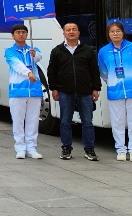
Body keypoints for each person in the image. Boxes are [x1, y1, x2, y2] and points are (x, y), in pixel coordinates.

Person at [46, 22, 101, 161]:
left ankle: (89, 149)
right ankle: (66, 148)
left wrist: (96, 88)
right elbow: (51, 71)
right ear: (64, 33)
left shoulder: (87, 50)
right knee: (65, 122)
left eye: (74, 29)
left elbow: (94, 70)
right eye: (68, 30)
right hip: (65, 92)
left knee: (87, 122)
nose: (71, 32)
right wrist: (54, 88)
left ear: (78, 33)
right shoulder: (57, 51)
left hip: (85, 92)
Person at [98, 20, 132, 162]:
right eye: (112, 31)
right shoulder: (103, 52)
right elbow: (103, 72)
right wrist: (113, 81)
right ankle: (120, 149)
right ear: (108, 34)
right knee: (117, 121)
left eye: (118, 31)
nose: (115, 34)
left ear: (123, 32)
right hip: (115, 90)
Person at [5, 24, 43, 159]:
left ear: (27, 34)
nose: (21, 34)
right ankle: (20, 148)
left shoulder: (33, 49)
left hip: (34, 90)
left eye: (23, 32)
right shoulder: (9, 51)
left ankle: (31, 148)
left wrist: (35, 54)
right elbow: (17, 65)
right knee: (18, 120)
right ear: (13, 35)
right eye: (18, 32)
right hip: (17, 90)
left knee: (33, 120)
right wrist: (28, 73)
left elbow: (39, 58)